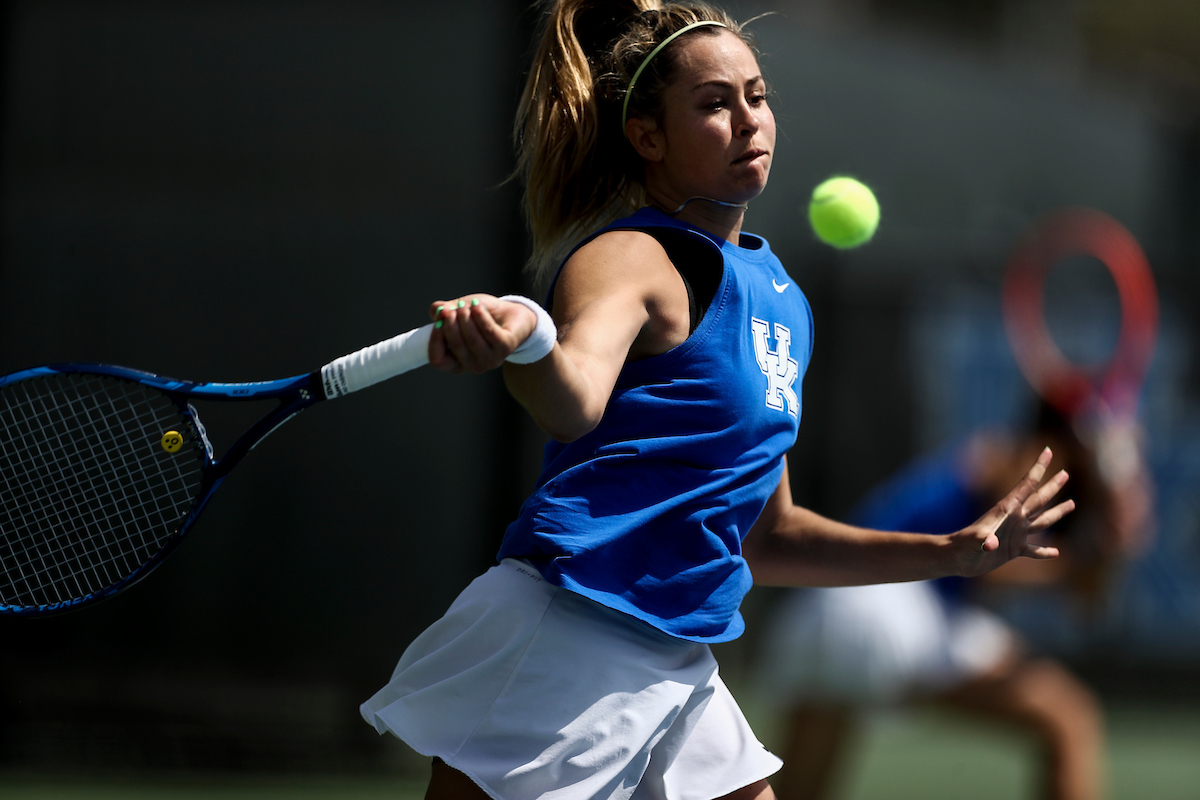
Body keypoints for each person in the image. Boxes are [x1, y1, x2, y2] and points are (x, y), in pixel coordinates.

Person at [357, 3, 1075, 799]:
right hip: (569, 638)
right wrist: (523, 348)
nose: (747, 120)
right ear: (649, 138)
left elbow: (771, 539)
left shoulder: (782, 301)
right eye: (713, 104)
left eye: (757, 95)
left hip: (681, 656)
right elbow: (571, 402)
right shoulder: (632, 256)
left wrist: (952, 551)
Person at [754, 402, 1155, 800]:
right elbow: (992, 565)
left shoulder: (1057, 485)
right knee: (1070, 719)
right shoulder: (1017, 455)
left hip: (826, 614)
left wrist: (1111, 539)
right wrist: (1080, 561)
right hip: (888, 611)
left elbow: (1087, 599)